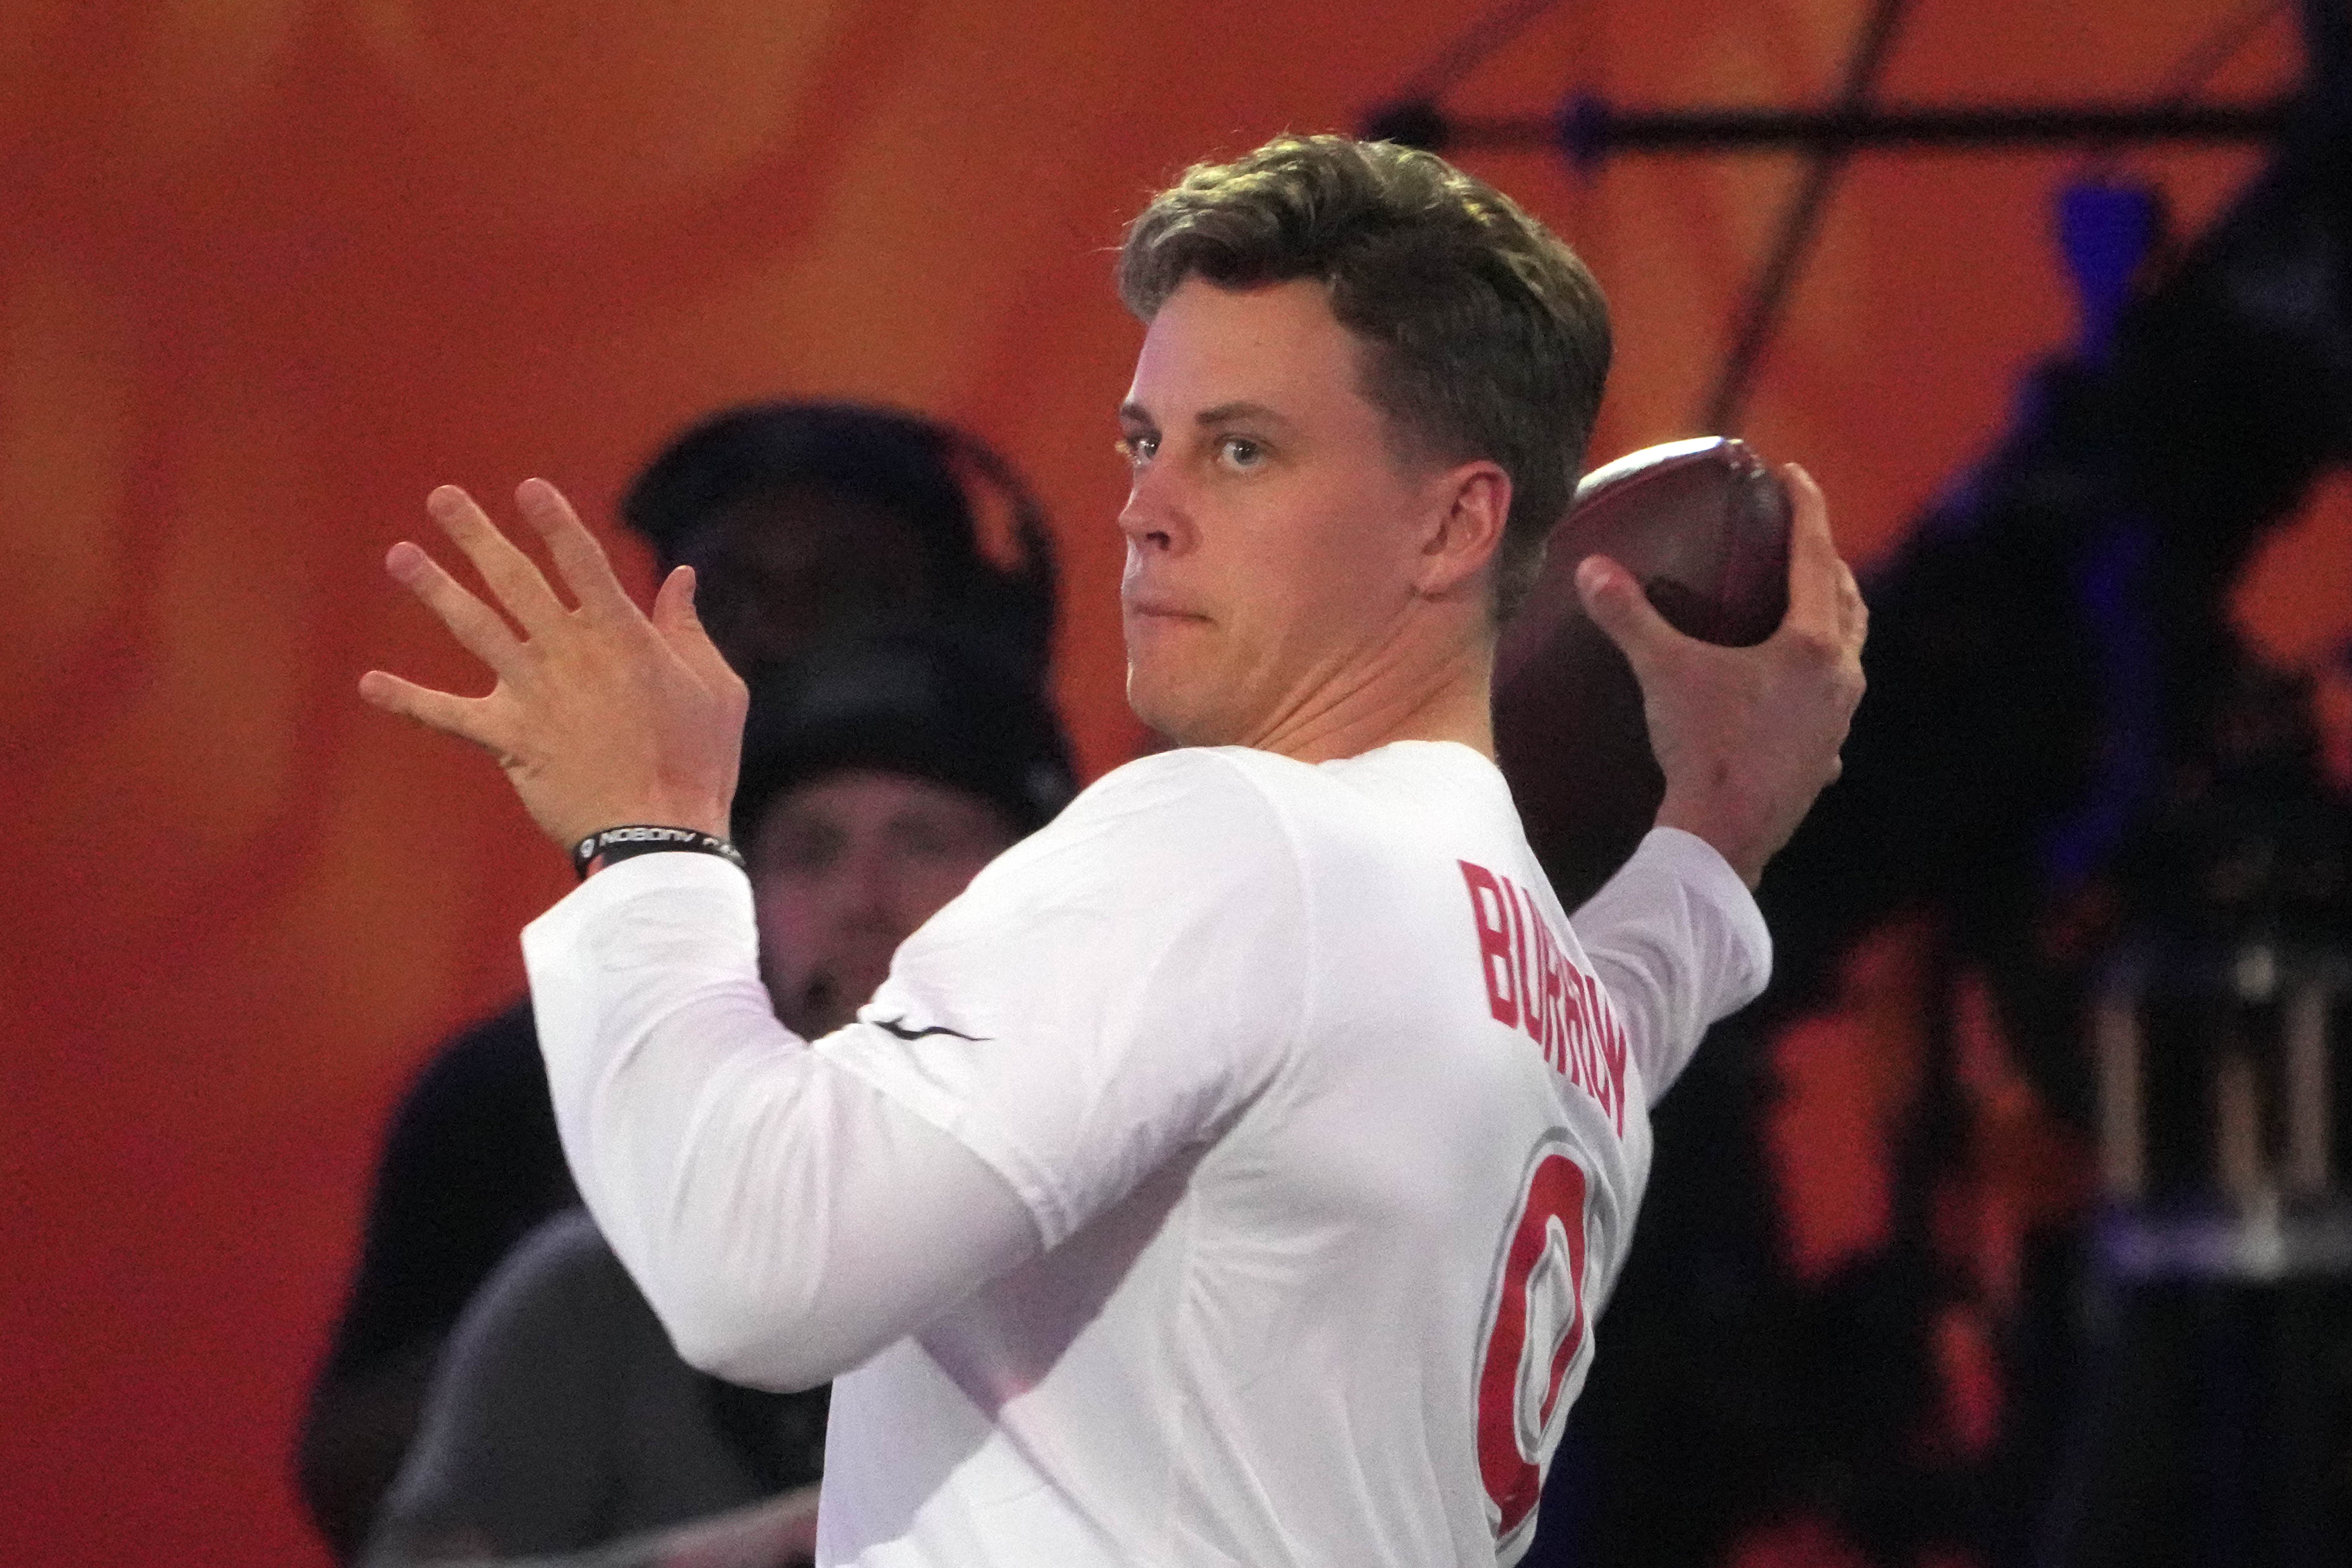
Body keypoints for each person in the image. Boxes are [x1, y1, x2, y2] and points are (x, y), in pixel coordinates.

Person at [359, 134, 1866, 1566]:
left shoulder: (1239, 838)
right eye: (1148, 442)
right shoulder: (1540, 990)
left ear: (1455, 523)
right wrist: (1714, 846)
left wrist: (648, 832)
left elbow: (756, 1270)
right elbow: (1634, 1000)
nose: (1146, 510)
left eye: (1244, 451)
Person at [299, 404, 1061, 1561]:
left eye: (922, 838)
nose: (779, 640)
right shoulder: (573, 1238)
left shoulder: (1157, 1164)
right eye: (810, 847)